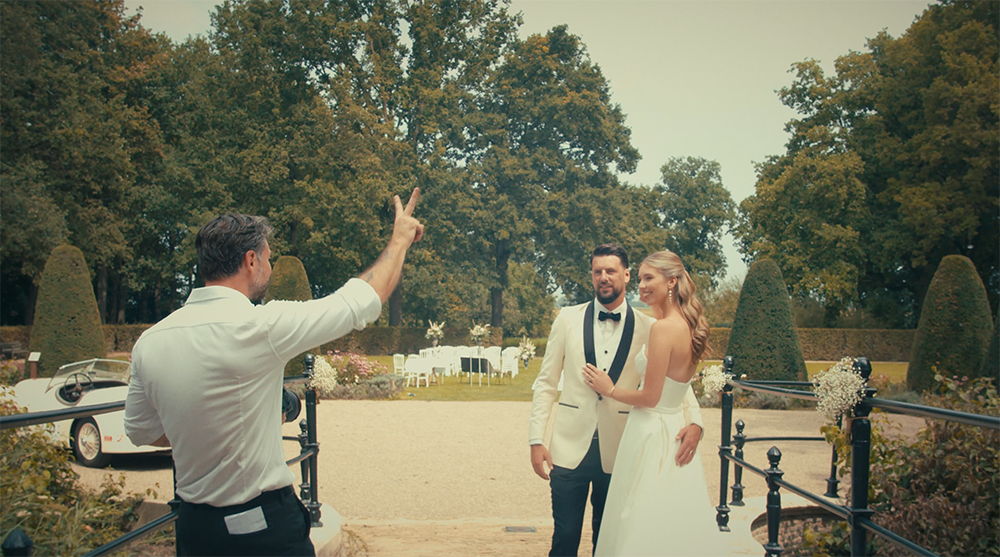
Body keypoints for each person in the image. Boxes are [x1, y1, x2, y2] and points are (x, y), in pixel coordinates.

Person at [124, 189, 424, 557]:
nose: (268, 265)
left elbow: (141, 432)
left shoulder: (149, 342)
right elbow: (363, 300)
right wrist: (400, 238)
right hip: (260, 531)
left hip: (194, 531)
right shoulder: (260, 327)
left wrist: (206, 433)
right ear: (251, 260)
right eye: (267, 257)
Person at [529, 244, 704, 557]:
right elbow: (545, 383)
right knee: (565, 536)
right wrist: (536, 439)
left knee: (610, 538)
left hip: (624, 448)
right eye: (597, 272)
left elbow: (674, 384)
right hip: (569, 448)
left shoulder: (652, 326)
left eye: (610, 271)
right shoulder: (567, 319)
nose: (603, 277)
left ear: (626, 275)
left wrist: (696, 422)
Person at [583, 250, 725, 557]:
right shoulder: (685, 325)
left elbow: (651, 397)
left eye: (650, 278)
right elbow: (677, 389)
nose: (642, 285)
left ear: (672, 281)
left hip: (652, 432)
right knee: (667, 517)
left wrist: (609, 389)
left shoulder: (663, 328)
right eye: (641, 277)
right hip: (671, 426)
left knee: (638, 515)